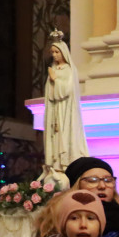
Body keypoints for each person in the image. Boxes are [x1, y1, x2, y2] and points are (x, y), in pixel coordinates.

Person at [43, 30, 89, 174]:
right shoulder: (54, 68)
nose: (55, 55)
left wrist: (55, 79)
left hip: (65, 109)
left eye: (57, 52)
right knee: (56, 135)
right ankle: (56, 162)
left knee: (64, 133)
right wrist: (52, 80)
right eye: (53, 52)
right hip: (56, 109)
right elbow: (49, 94)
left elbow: (67, 90)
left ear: (63, 52)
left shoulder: (69, 69)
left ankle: (66, 162)